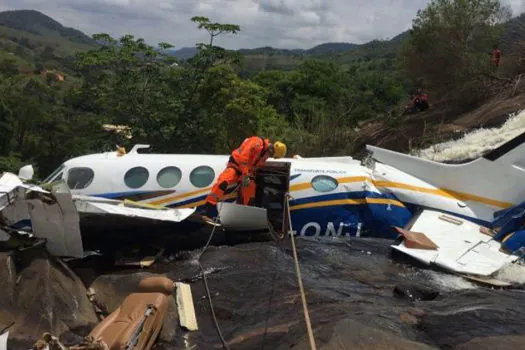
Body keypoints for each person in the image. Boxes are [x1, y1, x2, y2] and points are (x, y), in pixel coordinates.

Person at [202, 136, 287, 219]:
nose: (269, 156)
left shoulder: (264, 155)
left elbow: (255, 167)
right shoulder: (256, 142)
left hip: (246, 173)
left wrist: (250, 176)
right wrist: (245, 174)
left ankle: (245, 215)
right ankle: (208, 209)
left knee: (250, 192)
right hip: (236, 166)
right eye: (271, 154)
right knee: (223, 183)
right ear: (271, 148)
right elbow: (243, 157)